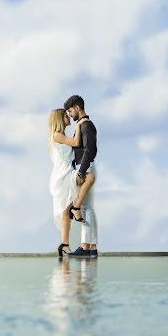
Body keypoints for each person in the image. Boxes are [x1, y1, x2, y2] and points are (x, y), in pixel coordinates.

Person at [63, 95, 98, 259]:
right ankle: (91, 246)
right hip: (86, 166)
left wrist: (81, 171)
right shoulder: (83, 125)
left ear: (77, 108)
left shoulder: (86, 126)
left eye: (70, 111)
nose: (70, 114)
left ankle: (85, 246)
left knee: (84, 208)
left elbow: (89, 150)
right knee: (88, 208)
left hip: (85, 167)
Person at [48, 108, 81, 257]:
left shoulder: (60, 136)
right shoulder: (57, 135)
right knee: (66, 210)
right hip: (63, 175)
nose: (69, 117)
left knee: (66, 212)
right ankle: (64, 243)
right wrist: (80, 124)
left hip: (65, 173)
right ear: (60, 119)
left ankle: (65, 244)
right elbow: (75, 142)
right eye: (65, 116)